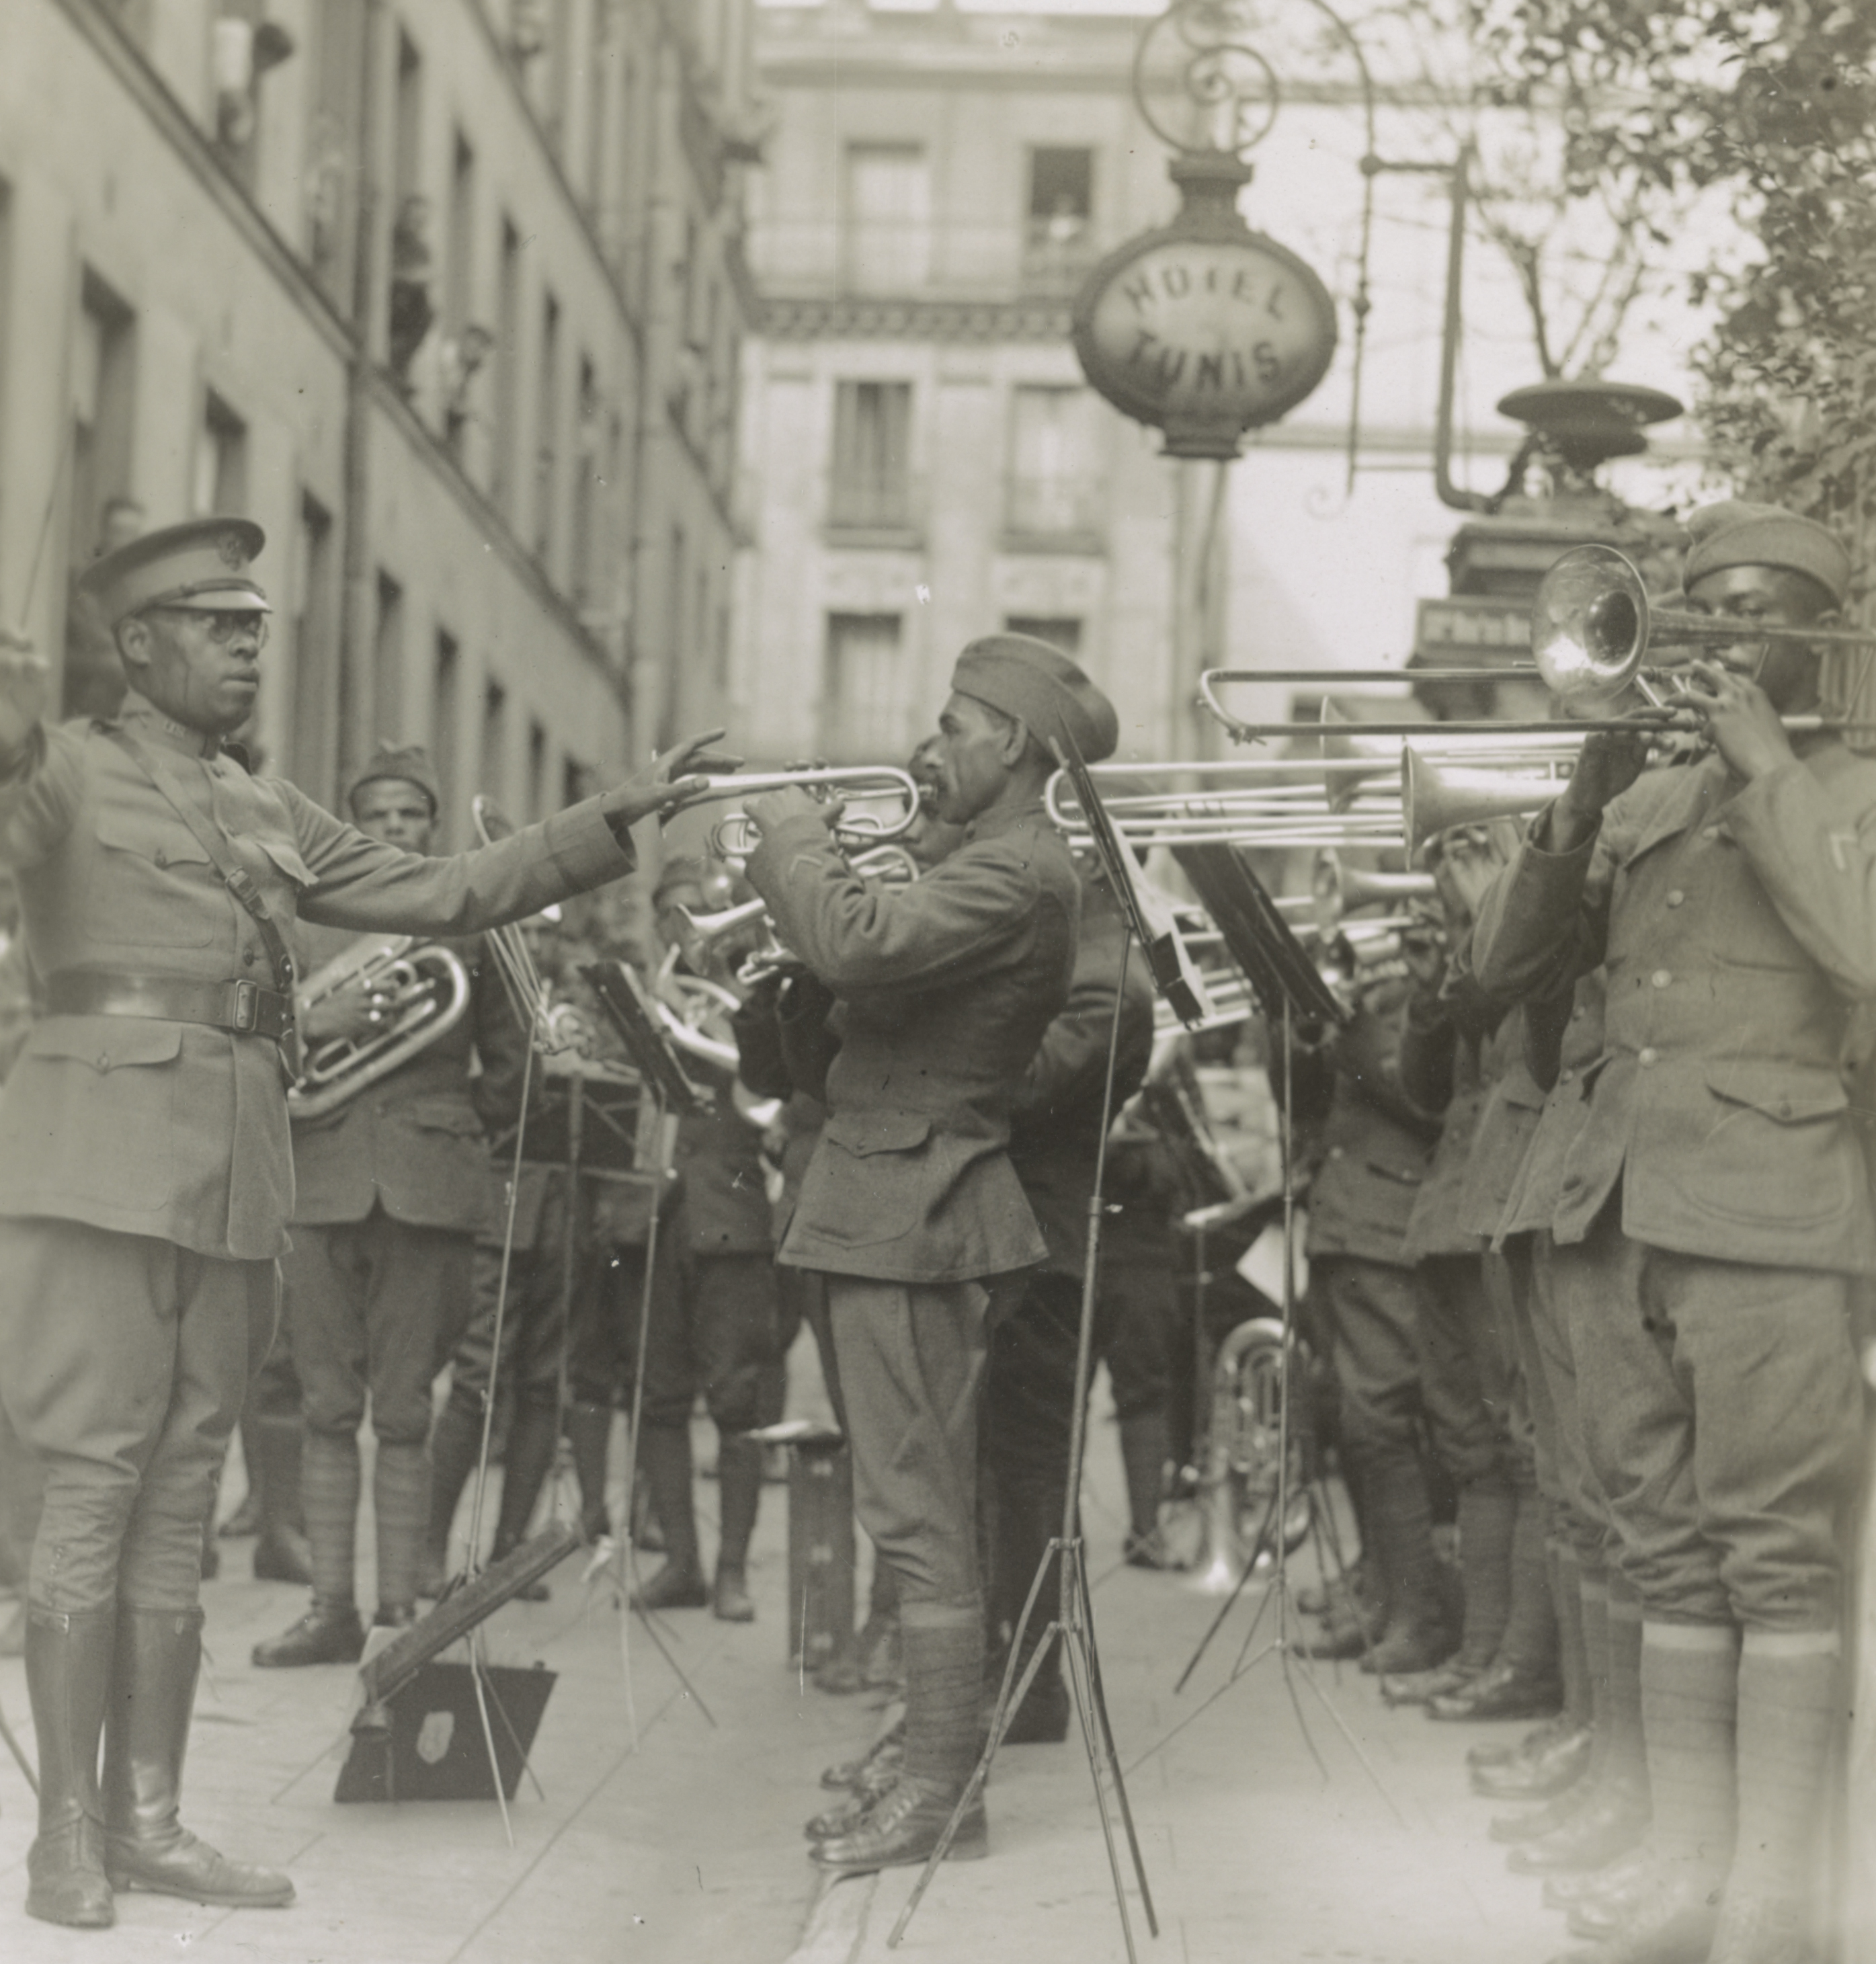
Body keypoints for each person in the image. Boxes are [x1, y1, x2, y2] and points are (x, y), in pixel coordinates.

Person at [0, 517, 728, 1930]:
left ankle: (150, 1818)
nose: (251, 644)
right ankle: (64, 1839)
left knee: (181, 1492)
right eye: (218, 624)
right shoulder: (66, 773)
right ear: (138, 643)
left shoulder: (266, 806)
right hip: (89, 1164)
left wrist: (614, 816)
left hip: (234, 1177)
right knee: (92, 1485)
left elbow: (449, 893)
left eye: (258, 624)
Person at [1471, 500, 1875, 1964]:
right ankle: (1689, 1871)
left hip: (1771, 1217)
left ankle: (1768, 1908)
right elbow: (1503, 981)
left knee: (1774, 1554)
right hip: (1615, 1208)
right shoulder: (1651, 803)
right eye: (1703, 605)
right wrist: (1575, 811)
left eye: (1757, 607)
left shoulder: (1848, 787)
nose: (1718, 635)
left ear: (1820, 635)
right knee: (1662, 1547)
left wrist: (1771, 773)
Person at [742, 632, 1112, 1874]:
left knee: (922, 1515)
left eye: (956, 723)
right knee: (916, 1504)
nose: (933, 741)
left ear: (1010, 740)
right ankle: (930, 1766)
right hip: (891, 1192)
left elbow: (858, 948)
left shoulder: (1019, 871)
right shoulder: (992, 859)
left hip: (916, 1198)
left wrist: (792, 833)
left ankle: (944, 1794)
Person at [251, 745, 532, 1666]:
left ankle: (397, 1613)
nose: (395, 830)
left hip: (427, 1184)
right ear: (348, 825)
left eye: (411, 815)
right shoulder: (305, 925)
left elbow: (511, 1066)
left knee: (405, 1408)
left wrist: (447, 1127)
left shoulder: (469, 926)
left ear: (431, 825)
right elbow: (262, 1043)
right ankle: (332, 1607)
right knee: (330, 1404)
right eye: (376, 815)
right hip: (321, 1181)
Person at [628, 857, 782, 1623]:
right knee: (657, 1398)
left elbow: (771, 1091)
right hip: (654, 1216)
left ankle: (730, 1573)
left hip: (732, 1214)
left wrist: (733, 1005)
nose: (684, 929)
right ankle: (682, 1564)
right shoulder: (640, 998)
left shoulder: (752, 995)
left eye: (699, 913)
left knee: (737, 1401)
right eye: (672, 915)